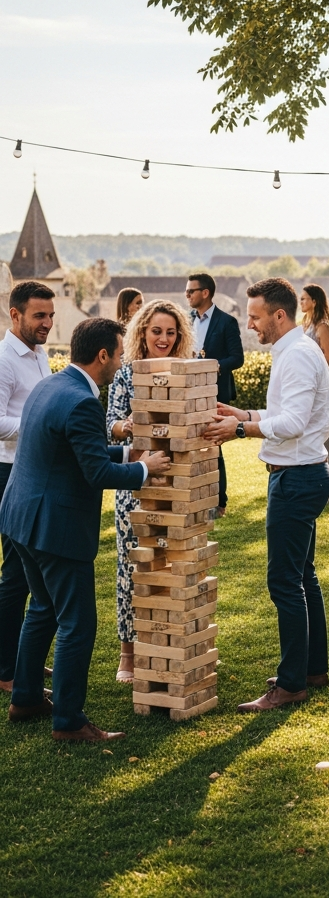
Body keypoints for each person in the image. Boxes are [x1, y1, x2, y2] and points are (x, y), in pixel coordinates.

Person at [1, 318, 170, 741]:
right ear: (102, 356)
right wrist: (144, 468)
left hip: (20, 518)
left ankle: (24, 698)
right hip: (54, 528)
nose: (121, 361)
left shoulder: (52, 385)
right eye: (118, 353)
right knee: (78, 623)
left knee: (41, 608)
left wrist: (130, 450)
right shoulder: (82, 403)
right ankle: (70, 722)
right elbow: (95, 472)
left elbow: (78, 449)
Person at [204, 279, 329, 712]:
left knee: (284, 582)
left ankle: (292, 683)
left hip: (296, 480)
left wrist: (240, 429)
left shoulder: (296, 355)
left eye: (255, 316)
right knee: (304, 577)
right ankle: (312, 669)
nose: (249, 323)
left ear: (280, 315)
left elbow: (294, 422)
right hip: (305, 474)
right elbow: (284, 415)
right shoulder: (296, 351)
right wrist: (246, 414)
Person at [107, 300, 194, 683]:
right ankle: (129, 654)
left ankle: (176, 643)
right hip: (136, 483)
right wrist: (128, 427)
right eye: (156, 331)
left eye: (171, 332)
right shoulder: (124, 375)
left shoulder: (186, 373)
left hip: (179, 482)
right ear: (141, 332)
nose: (163, 338)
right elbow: (108, 425)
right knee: (133, 566)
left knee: (175, 562)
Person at [0, 281, 55, 693]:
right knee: (16, 575)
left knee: (33, 575)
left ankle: (24, 658)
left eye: (50, 316)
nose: (48, 324)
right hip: (8, 473)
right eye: (39, 316)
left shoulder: (41, 354)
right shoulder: (3, 359)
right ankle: (6, 670)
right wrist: (40, 427)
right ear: (14, 314)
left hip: (35, 471)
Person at [185, 273, 244, 516]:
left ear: (205, 293)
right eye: (186, 292)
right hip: (189, 391)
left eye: (191, 291)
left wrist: (213, 365)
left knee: (214, 446)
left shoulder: (227, 322)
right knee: (192, 443)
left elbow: (237, 358)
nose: (187, 296)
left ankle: (219, 502)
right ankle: (194, 496)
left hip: (216, 392)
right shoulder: (185, 321)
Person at [299, 284, 329, 499]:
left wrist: (308, 360)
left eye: (304, 299)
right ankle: (320, 486)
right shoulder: (305, 324)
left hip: (321, 385)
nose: (300, 302)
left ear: (314, 301)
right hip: (307, 384)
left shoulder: (322, 326)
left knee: (326, 433)